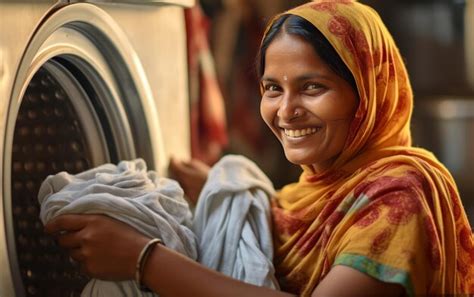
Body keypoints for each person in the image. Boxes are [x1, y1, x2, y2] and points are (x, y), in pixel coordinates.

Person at [44, 1, 474, 296]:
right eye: (272, 88)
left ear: (368, 95)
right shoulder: (307, 197)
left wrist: (143, 260)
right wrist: (221, 194)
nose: (286, 111)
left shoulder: (401, 196)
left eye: (312, 87)